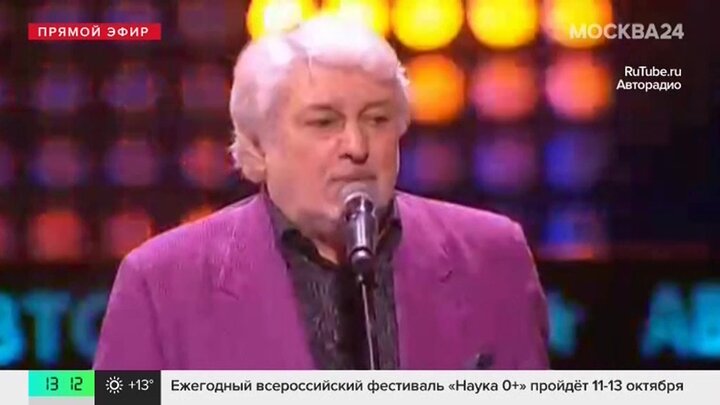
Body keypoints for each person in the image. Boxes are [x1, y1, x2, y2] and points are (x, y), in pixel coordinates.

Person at [93, 16, 549, 370]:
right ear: (258, 149)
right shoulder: (159, 284)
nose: (357, 146)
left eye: (377, 119)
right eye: (324, 122)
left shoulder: (492, 257)